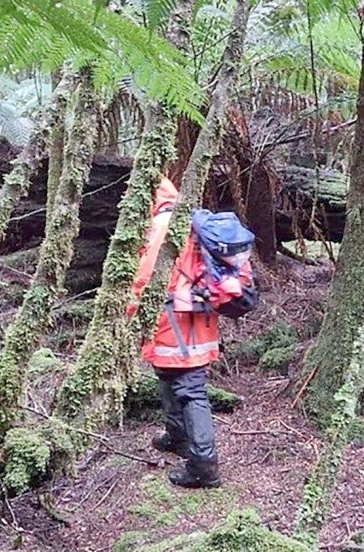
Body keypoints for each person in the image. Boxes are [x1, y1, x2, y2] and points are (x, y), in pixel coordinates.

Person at [129, 179, 256, 489]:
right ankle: (178, 437)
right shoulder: (188, 219)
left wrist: (130, 314)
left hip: (175, 321)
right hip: (194, 319)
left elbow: (143, 277)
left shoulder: (161, 225)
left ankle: (204, 465)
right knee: (168, 376)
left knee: (190, 387)